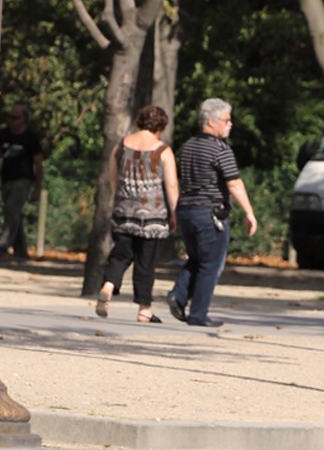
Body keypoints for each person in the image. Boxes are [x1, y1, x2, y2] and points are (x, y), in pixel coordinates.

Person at [166, 98, 257, 328]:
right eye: (226, 120)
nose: (230, 124)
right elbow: (234, 184)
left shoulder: (187, 146)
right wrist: (249, 212)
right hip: (210, 214)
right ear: (211, 121)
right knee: (211, 264)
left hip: (187, 210)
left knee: (196, 258)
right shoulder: (220, 149)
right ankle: (198, 313)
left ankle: (178, 295)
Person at [96, 105, 178, 323]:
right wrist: (175, 212)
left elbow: (113, 178)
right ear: (160, 125)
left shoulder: (121, 145)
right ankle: (144, 309)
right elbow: (170, 184)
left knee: (121, 254)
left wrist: (119, 199)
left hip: (124, 210)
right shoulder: (163, 150)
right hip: (153, 215)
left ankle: (108, 285)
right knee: (146, 262)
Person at [0, 104, 44, 259]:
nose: (12, 120)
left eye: (15, 117)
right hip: (6, 178)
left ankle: (2, 246)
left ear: (23, 119)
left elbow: (38, 164)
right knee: (14, 214)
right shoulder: (4, 134)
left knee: (11, 210)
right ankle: (21, 252)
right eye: (10, 117)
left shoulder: (30, 137)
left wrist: (37, 188)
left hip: (23, 180)